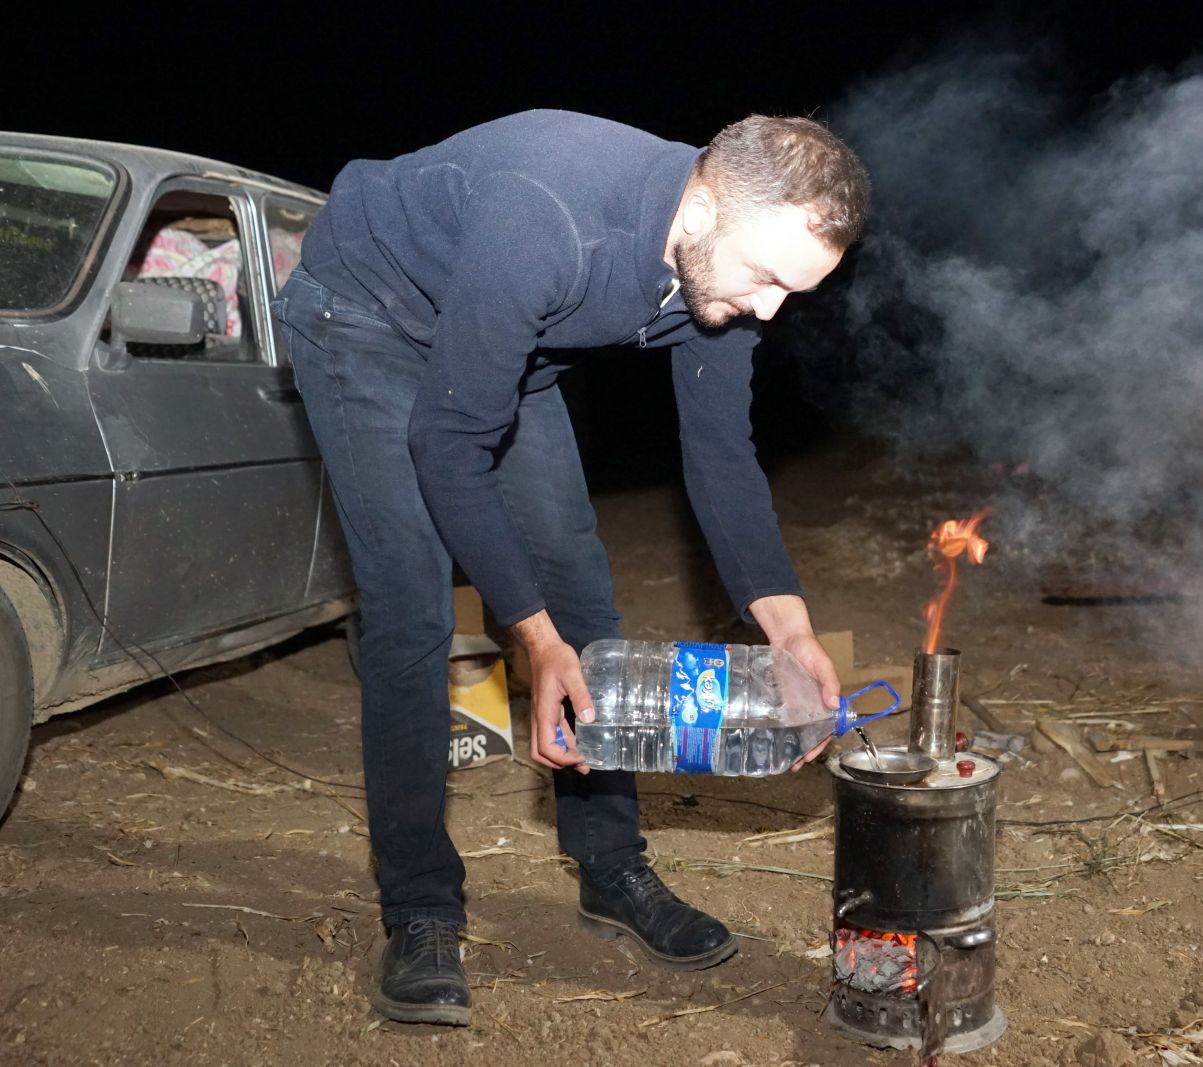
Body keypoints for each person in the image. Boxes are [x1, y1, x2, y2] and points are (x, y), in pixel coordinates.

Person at [270, 111, 870, 1026]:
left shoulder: (724, 269)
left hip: (507, 343)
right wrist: (529, 636)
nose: (768, 309)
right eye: (767, 278)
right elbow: (450, 440)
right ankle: (421, 906)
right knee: (413, 608)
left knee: (580, 583)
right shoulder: (547, 220)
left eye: (797, 290)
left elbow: (721, 458)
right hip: (365, 316)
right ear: (702, 203)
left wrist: (789, 629)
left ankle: (610, 864)